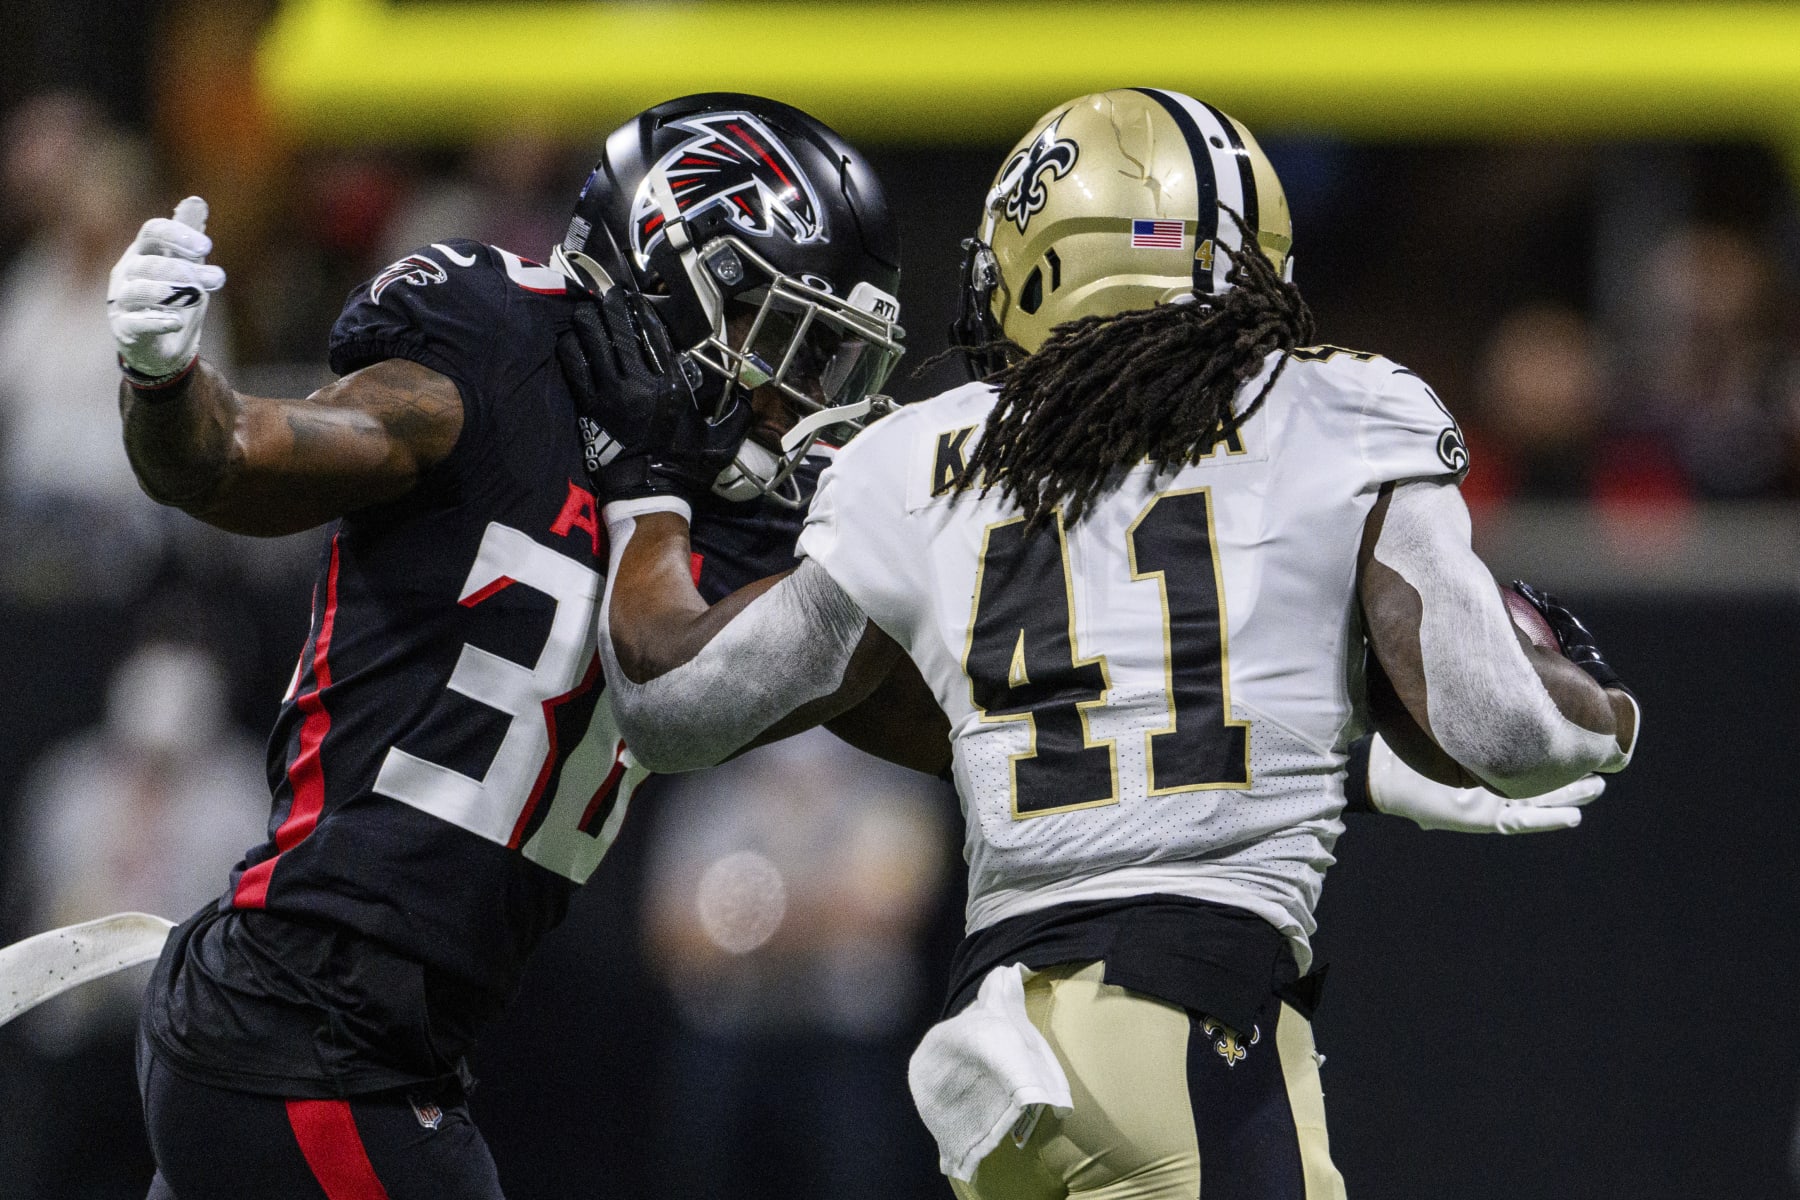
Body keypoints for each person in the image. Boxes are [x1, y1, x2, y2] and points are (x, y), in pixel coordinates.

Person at [585, 89, 1641, 1199]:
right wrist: (1607, 711)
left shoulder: (912, 457)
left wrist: (644, 497)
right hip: (1191, 1016)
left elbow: (675, 707)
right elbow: (1510, 727)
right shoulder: (1342, 408)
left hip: (1008, 1037)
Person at [105, 93, 904, 1199]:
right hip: (305, 1024)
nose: (798, 401)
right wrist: (162, 379)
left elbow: (888, 700)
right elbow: (231, 457)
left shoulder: (734, 513)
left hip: (377, 1039)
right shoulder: (495, 349)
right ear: (672, 278)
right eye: (786, 342)